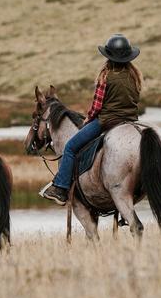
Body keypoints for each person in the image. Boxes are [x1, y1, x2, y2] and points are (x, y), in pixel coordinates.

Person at [39, 34, 142, 205]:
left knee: (71, 147)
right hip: (130, 121)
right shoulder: (135, 76)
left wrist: (88, 119)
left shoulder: (106, 76)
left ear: (109, 57)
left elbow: (97, 106)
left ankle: (61, 188)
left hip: (107, 121)